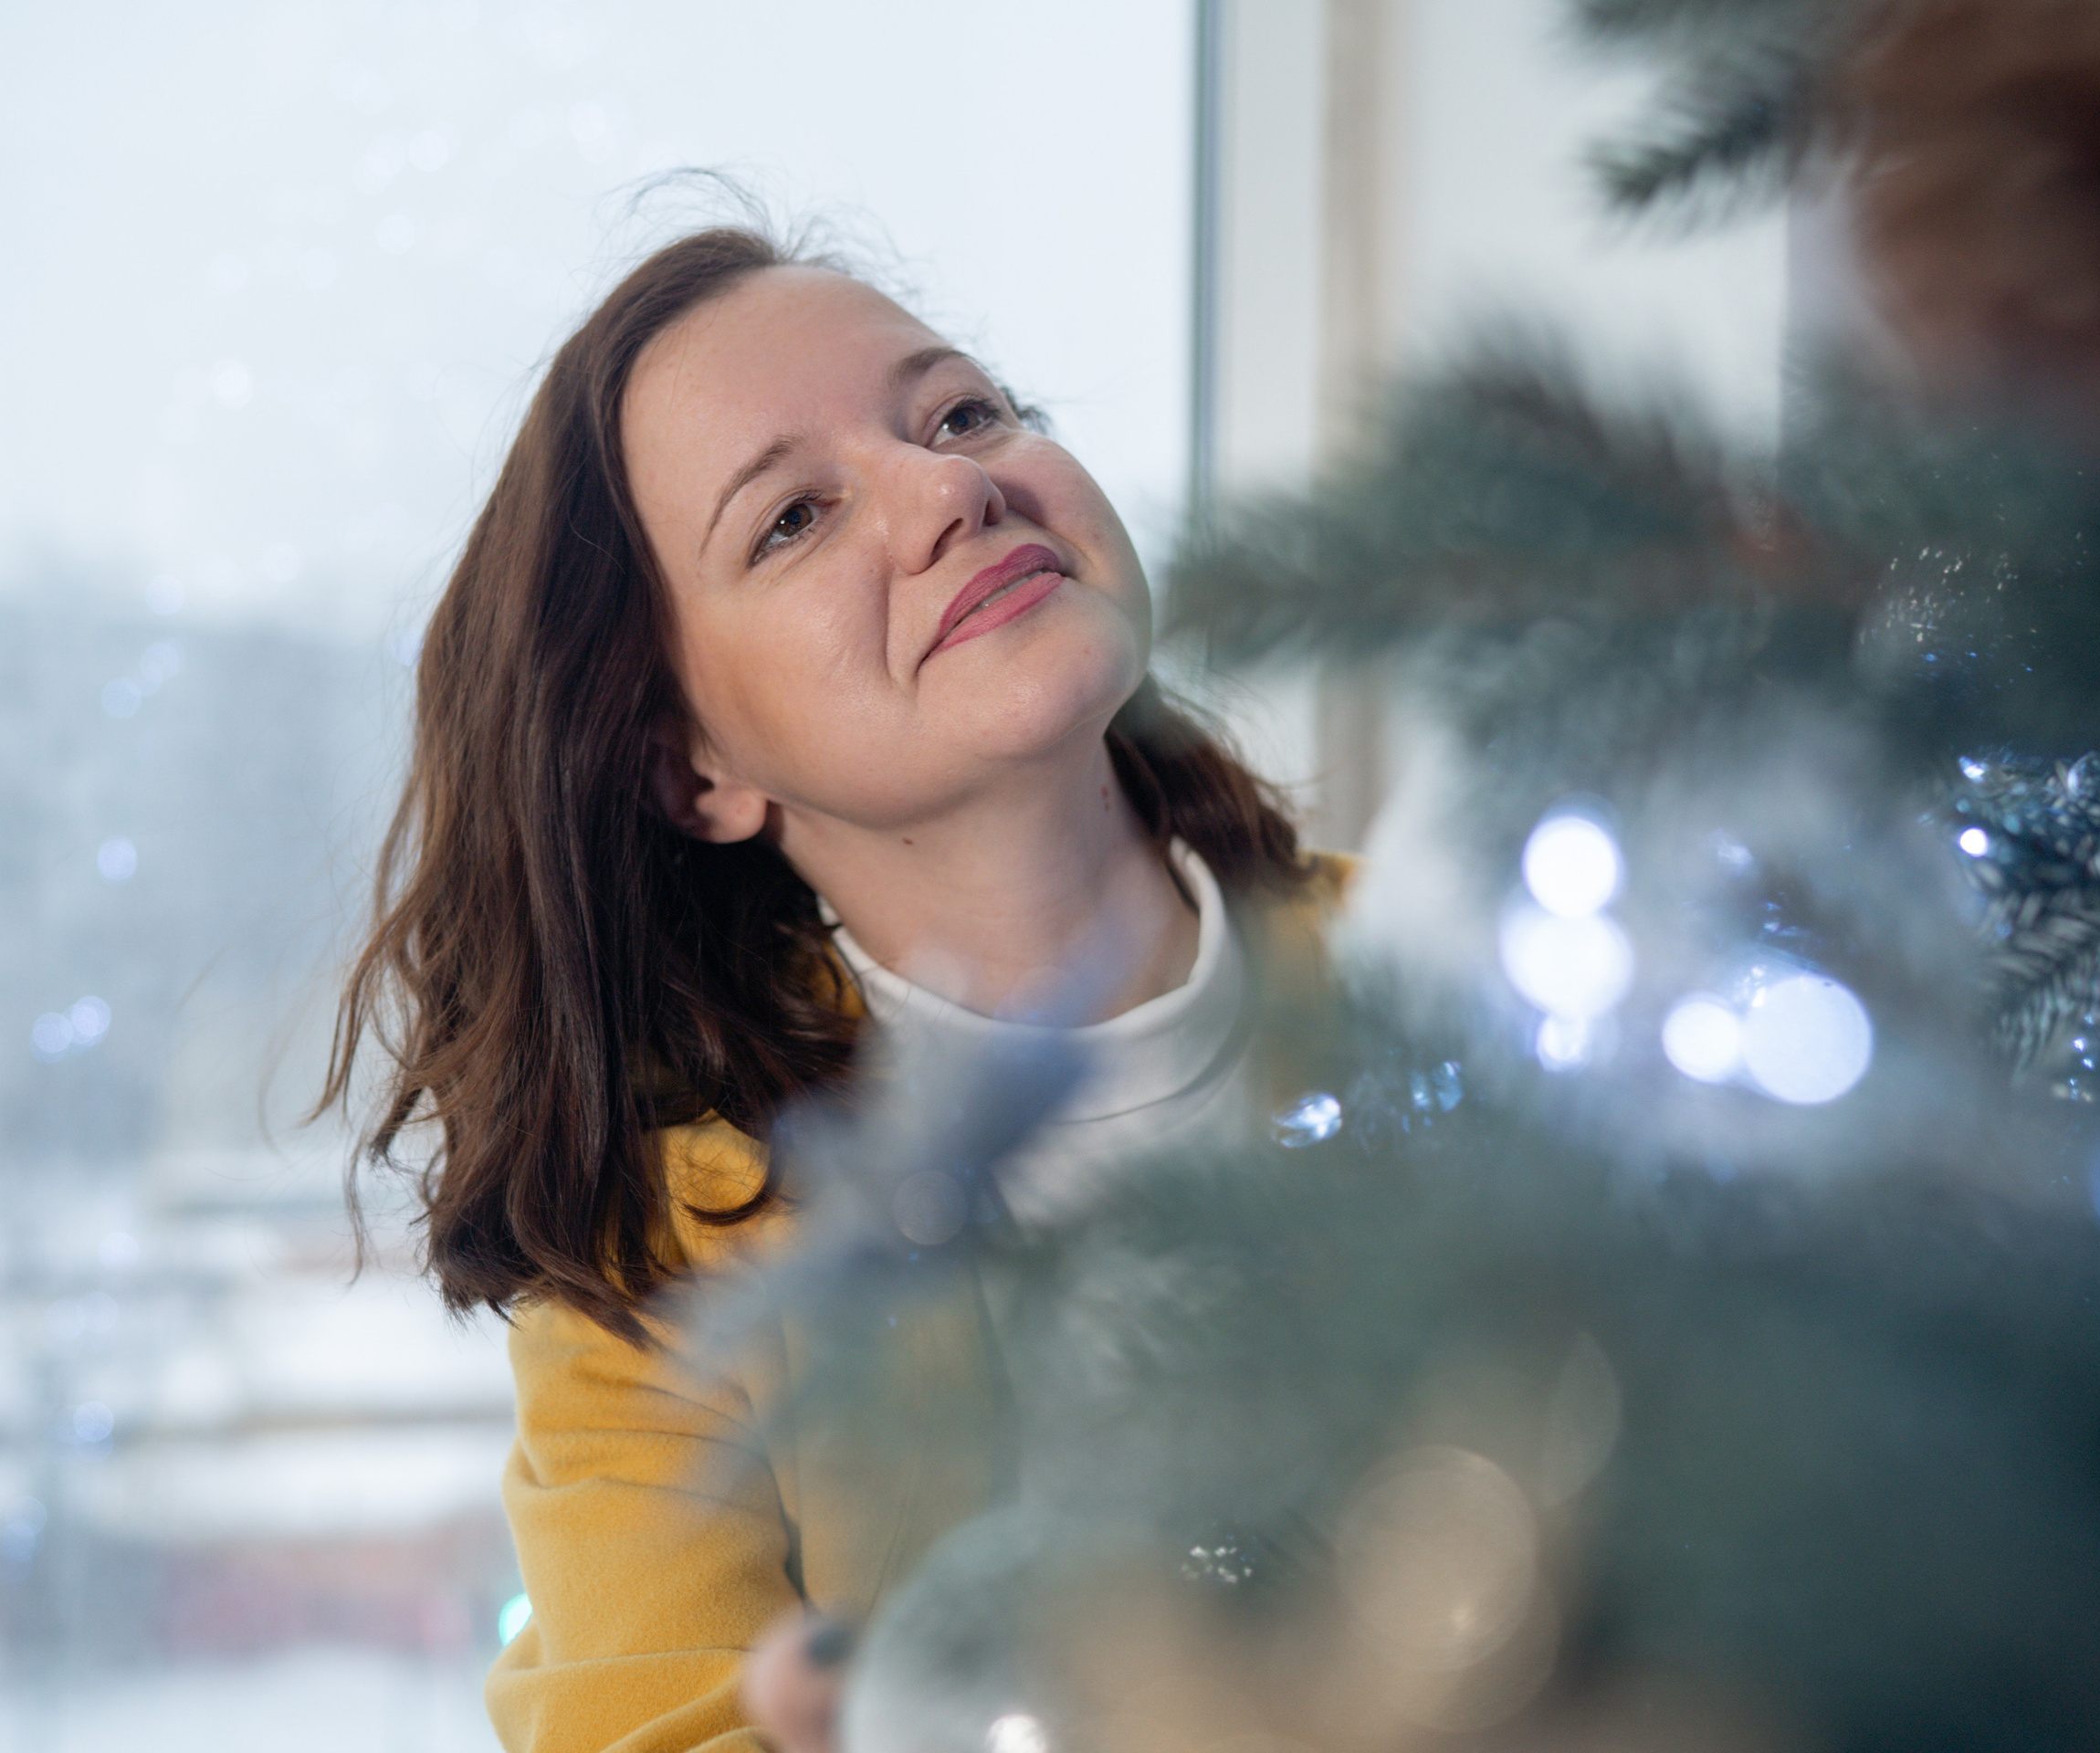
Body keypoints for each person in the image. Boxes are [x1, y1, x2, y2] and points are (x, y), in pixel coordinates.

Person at [320, 225, 1350, 1753]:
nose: (951, 491)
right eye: (795, 518)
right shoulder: (667, 1277)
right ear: (689, 768)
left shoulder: (1472, 970)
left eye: (963, 413)